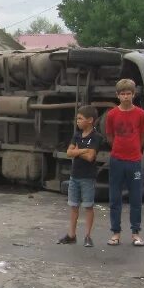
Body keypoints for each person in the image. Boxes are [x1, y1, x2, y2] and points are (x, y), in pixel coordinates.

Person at [105, 78, 144, 247]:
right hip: (117, 159)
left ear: (133, 94)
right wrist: (118, 147)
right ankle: (115, 233)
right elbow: (110, 135)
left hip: (134, 160)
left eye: (128, 93)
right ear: (117, 96)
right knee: (115, 198)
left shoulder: (140, 114)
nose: (125, 97)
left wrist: (136, 147)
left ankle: (135, 233)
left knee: (136, 198)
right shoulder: (112, 115)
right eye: (122, 94)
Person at [59, 105, 101, 248]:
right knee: (73, 206)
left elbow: (91, 157)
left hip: (87, 177)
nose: (77, 121)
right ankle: (71, 235)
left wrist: (77, 151)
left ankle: (88, 236)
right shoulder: (76, 135)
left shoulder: (96, 137)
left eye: (80, 118)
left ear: (90, 120)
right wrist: (83, 150)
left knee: (88, 206)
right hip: (74, 176)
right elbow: (69, 153)